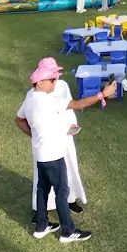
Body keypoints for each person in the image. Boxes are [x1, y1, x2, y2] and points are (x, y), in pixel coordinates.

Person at [16, 61, 112, 243]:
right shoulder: (50, 100)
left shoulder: (29, 100)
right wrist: (102, 94)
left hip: (40, 155)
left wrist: (34, 135)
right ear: (40, 82)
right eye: (52, 79)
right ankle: (68, 231)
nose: (55, 82)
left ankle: (41, 226)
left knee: (42, 188)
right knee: (62, 192)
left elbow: (19, 120)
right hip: (54, 155)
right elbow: (78, 104)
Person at [16, 58, 88, 219]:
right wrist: (33, 134)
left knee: (69, 167)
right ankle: (41, 211)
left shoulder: (62, 86)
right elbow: (23, 118)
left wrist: (71, 126)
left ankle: (70, 200)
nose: (55, 78)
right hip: (46, 142)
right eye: (52, 75)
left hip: (64, 136)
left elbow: (69, 108)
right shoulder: (32, 95)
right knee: (42, 177)